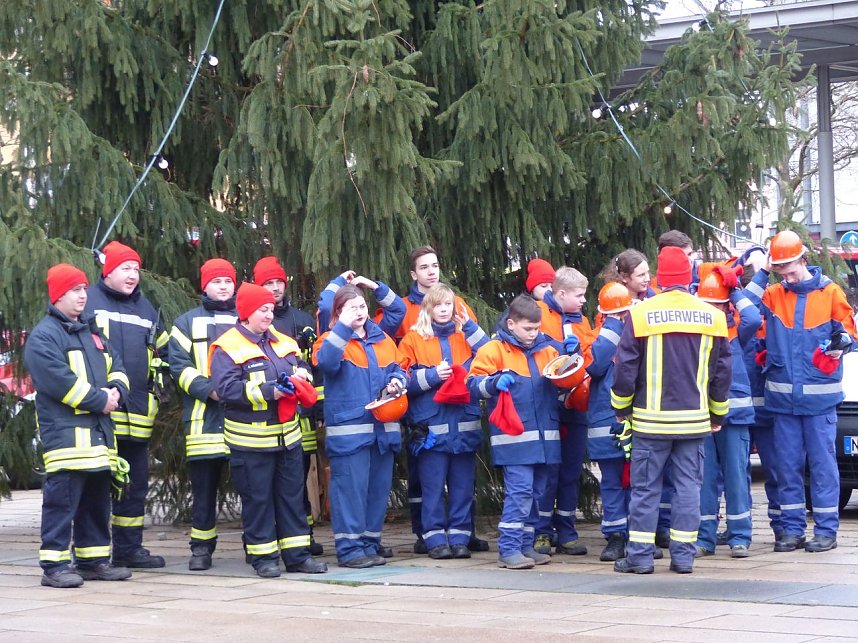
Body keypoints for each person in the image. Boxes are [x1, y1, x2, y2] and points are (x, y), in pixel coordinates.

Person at [612, 246, 731, 575]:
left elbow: (624, 370)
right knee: (688, 489)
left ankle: (639, 558)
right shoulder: (714, 317)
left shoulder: (640, 314)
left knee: (646, 490)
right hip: (694, 423)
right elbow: (721, 375)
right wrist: (717, 416)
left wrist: (620, 408)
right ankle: (683, 558)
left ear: (660, 279)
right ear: (690, 276)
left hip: (650, 424)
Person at [744, 230, 857, 553]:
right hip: (782, 403)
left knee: (822, 467)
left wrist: (840, 346)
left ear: (803, 259)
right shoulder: (774, 294)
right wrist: (762, 272)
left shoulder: (830, 293)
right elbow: (749, 317)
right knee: (785, 468)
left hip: (820, 402)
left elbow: (850, 333)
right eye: (780, 270)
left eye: (790, 268)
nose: (788, 275)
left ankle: (825, 531)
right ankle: (792, 531)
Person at [24, 263, 132, 587]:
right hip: (67, 440)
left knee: (97, 502)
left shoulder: (92, 331)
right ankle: (54, 567)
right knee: (62, 504)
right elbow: (59, 382)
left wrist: (118, 392)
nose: (83, 295)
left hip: (99, 439)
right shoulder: (44, 337)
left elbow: (118, 366)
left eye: (84, 289)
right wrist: (102, 400)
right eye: (75, 290)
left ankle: (94, 561)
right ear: (58, 295)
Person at [210, 283, 327, 578]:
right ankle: (263, 558)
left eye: (271, 309)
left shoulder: (282, 340)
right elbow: (226, 390)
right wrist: (268, 391)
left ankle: (297, 556)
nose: (269, 314)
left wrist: (303, 373)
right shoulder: (227, 346)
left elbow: (302, 364)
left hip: (288, 438)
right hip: (250, 442)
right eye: (263, 309)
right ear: (247, 312)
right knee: (259, 501)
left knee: (291, 498)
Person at [313, 284, 409, 568]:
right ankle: (349, 549)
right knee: (349, 492)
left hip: (383, 431)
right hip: (350, 433)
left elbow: (400, 367)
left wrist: (398, 381)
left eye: (362, 305)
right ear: (338, 312)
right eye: (351, 306)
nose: (359, 310)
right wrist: (342, 329)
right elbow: (327, 364)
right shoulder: (329, 339)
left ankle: (369, 543)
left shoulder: (382, 340)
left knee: (377, 492)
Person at [85, 241, 168, 569]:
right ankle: (94, 554)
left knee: (135, 487)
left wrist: (158, 383)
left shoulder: (147, 309)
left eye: (135, 269)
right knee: (98, 486)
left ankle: (129, 549)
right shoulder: (89, 302)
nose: (132, 275)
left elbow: (162, 352)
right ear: (108, 271)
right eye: (125, 269)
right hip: (101, 415)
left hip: (139, 415)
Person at [468, 295, 564, 570]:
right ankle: (508, 548)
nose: (534, 334)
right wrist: (495, 381)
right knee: (520, 493)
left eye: (536, 328)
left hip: (545, 439)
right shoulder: (494, 350)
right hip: (514, 438)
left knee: (537, 493)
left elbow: (563, 380)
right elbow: (473, 385)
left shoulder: (547, 349)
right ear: (511, 324)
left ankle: (525, 545)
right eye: (528, 329)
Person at [398, 284, 489, 559]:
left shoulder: (466, 336)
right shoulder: (413, 340)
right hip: (431, 430)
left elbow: (491, 356)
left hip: (463, 426)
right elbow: (402, 382)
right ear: (428, 308)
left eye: (448, 304)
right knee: (432, 489)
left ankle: (460, 537)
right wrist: (433, 375)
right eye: (438, 305)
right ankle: (435, 539)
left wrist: (470, 327)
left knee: (463, 488)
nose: (444, 310)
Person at [168, 258, 237, 570]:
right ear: (204, 285)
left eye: (228, 280)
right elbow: (178, 366)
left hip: (243, 418)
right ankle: (201, 550)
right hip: (203, 422)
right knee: (204, 492)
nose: (223, 286)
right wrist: (208, 389)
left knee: (254, 490)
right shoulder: (186, 322)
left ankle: (258, 547)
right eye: (217, 281)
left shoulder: (246, 317)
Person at [254, 256, 324, 556]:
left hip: (302, 416)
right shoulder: (253, 323)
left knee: (299, 475)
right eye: (267, 283)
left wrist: (317, 408)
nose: (274, 288)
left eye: (278, 282)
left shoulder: (304, 321)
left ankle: (303, 535)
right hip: (267, 418)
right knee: (269, 482)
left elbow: (314, 369)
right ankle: (271, 537)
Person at [694, 262, 761, 559]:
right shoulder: (695, 332)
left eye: (716, 305)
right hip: (702, 416)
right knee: (704, 479)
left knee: (735, 477)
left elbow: (752, 316)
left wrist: (734, 291)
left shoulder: (736, 332)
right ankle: (705, 539)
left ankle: (739, 537)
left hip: (733, 418)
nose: (712, 311)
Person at [532, 267, 594, 556]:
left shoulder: (582, 321)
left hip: (576, 407)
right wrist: (560, 348)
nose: (583, 300)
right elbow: (530, 347)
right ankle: (541, 532)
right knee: (549, 472)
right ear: (560, 293)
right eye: (579, 296)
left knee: (570, 471)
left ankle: (567, 530)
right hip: (549, 407)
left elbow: (590, 356)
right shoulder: (539, 315)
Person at [586, 282, 634, 562]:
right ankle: (616, 536)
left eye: (623, 315)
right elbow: (595, 365)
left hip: (636, 419)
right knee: (613, 483)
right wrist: (613, 328)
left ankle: (641, 536)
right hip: (605, 420)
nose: (621, 319)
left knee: (640, 482)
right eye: (615, 316)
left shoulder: (640, 332)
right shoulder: (599, 338)